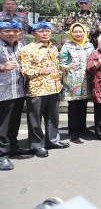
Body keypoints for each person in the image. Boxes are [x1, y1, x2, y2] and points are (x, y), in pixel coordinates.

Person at [19, 21, 69, 158]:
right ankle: (37, 145)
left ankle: (53, 140)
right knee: (35, 120)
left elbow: (57, 65)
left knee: (53, 117)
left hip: (54, 87)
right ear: (34, 33)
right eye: (41, 31)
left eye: (47, 31)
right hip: (37, 89)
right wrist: (41, 70)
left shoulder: (53, 47)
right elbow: (24, 70)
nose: (45, 33)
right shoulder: (27, 49)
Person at [59, 23, 95, 143]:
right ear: (71, 33)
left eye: (81, 31)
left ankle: (82, 128)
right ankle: (73, 131)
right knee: (73, 106)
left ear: (85, 32)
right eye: (76, 31)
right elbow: (61, 61)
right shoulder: (67, 46)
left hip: (86, 79)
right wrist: (66, 66)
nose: (78, 34)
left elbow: (93, 59)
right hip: (72, 81)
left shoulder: (89, 45)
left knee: (84, 105)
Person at [0, 21, 28, 171]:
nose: (11, 33)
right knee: (2, 126)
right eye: (7, 30)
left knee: (14, 122)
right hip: (3, 93)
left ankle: (13, 147)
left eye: (15, 30)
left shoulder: (20, 46)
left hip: (18, 91)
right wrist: (1, 67)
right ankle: (2, 156)